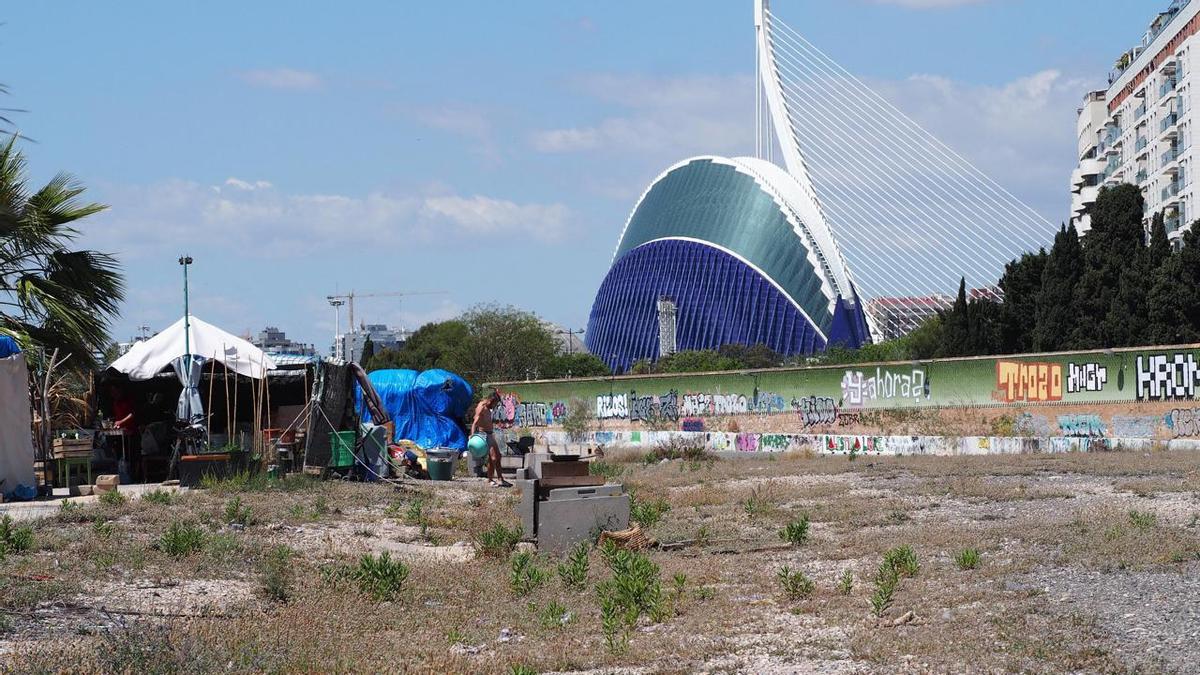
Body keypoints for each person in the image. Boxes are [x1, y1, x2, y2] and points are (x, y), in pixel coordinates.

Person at [471, 391, 510, 487]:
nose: (495, 406)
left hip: (490, 434)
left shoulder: (488, 407)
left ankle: (500, 479)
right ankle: (490, 479)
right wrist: (472, 435)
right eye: (495, 403)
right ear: (491, 400)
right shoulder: (482, 408)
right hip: (484, 435)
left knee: (498, 456)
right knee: (493, 457)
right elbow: (475, 422)